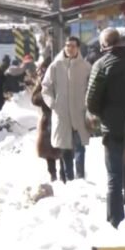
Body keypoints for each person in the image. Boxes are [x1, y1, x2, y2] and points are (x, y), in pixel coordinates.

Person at [86, 28, 125, 228]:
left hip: (113, 129)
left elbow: (91, 102)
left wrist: (104, 113)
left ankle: (115, 220)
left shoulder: (101, 65)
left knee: (114, 177)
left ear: (104, 46)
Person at [41, 36, 92, 180]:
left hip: (79, 113)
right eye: (67, 45)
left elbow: (91, 87)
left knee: (80, 147)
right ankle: (70, 179)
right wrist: (52, 103)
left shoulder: (86, 66)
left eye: (73, 46)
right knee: (65, 150)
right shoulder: (55, 66)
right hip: (61, 113)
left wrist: (87, 103)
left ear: (78, 48)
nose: (70, 48)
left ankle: (80, 178)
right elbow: (45, 87)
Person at [31, 58, 65, 183]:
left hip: (59, 118)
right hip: (49, 119)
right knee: (49, 148)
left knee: (60, 146)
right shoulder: (44, 82)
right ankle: (54, 174)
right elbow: (35, 99)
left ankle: (63, 173)